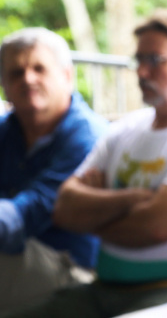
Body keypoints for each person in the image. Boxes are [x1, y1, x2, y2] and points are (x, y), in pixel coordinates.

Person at [2, 9, 167, 318]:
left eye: (155, 60)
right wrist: (134, 200)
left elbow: (157, 226)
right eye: (139, 60)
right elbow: (65, 210)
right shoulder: (124, 131)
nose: (142, 72)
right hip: (102, 290)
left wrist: (95, 214)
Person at [0, 28, 106, 312]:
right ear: (4, 85)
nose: (28, 79)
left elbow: (31, 213)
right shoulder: (6, 131)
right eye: (16, 73)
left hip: (73, 269)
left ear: (67, 76)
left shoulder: (88, 138)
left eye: (39, 69)